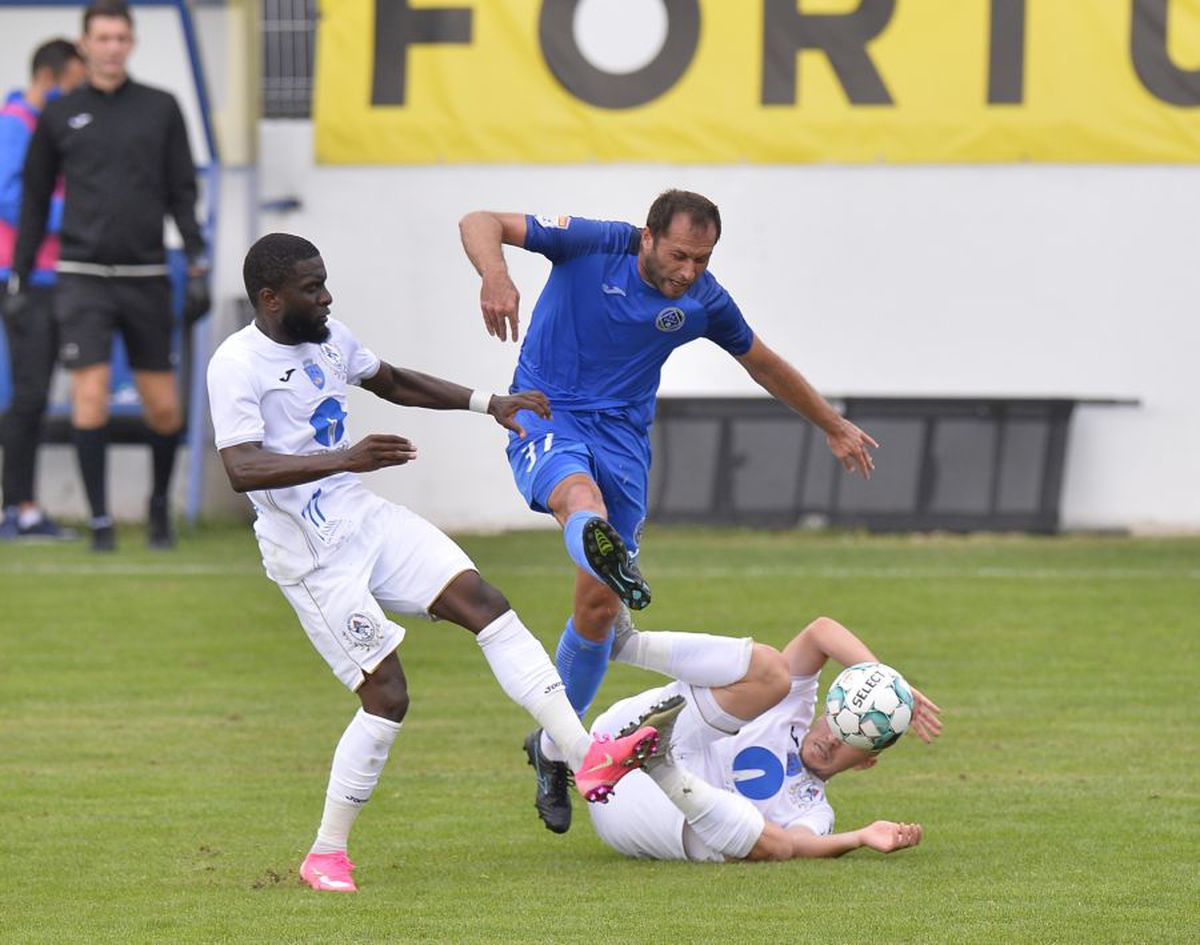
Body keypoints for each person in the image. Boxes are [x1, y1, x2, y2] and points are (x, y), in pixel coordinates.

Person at [206, 232, 680, 892]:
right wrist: (346, 457)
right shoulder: (235, 363)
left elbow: (393, 380)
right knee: (388, 696)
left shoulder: (330, 337)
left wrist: (493, 404)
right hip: (312, 556)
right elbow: (241, 467)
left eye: (325, 281)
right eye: (312, 288)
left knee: (487, 606)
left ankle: (583, 757)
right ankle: (326, 851)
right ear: (271, 296)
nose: (326, 295)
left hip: (365, 519)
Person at [460, 190, 880, 829]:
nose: (689, 271)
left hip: (625, 439)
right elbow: (480, 220)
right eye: (681, 255)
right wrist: (496, 274)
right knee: (579, 496)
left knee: (597, 610)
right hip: (546, 411)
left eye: (703, 261)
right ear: (648, 237)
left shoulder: (702, 301)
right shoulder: (594, 240)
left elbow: (762, 363)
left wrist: (831, 423)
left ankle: (550, 748)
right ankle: (595, 539)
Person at [7, 1, 210, 552]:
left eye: (121, 37)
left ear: (132, 43)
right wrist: (19, 276)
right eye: (103, 38)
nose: (112, 47)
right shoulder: (59, 114)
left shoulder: (162, 108)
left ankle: (159, 507)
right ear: (86, 44)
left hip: (146, 276)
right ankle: (100, 520)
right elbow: (30, 202)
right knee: (89, 400)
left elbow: (182, 192)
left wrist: (197, 261)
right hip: (81, 277)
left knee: (163, 407)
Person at [560, 615, 941, 860]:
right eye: (837, 722)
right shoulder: (793, 707)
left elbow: (801, 846)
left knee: (778, 847)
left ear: (865, 763)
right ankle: (629, 644)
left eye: (851, 740)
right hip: (621, 733)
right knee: (772, 671)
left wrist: (859, 836)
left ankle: (656, 766)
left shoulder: (813, 810)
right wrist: (883, 680)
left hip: (644, 815)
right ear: (830, 708)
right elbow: (821, 632)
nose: (832, 739)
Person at [0, 38, 86, 540]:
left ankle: (23, 507)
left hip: (55, 275)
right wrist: (81, 213)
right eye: (73, 86)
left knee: (35, 396)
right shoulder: (16, 124)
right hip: (27, 277)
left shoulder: (42, 127)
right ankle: (18, 511)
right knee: (29, 396)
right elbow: (10, 197)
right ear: (50, 80)